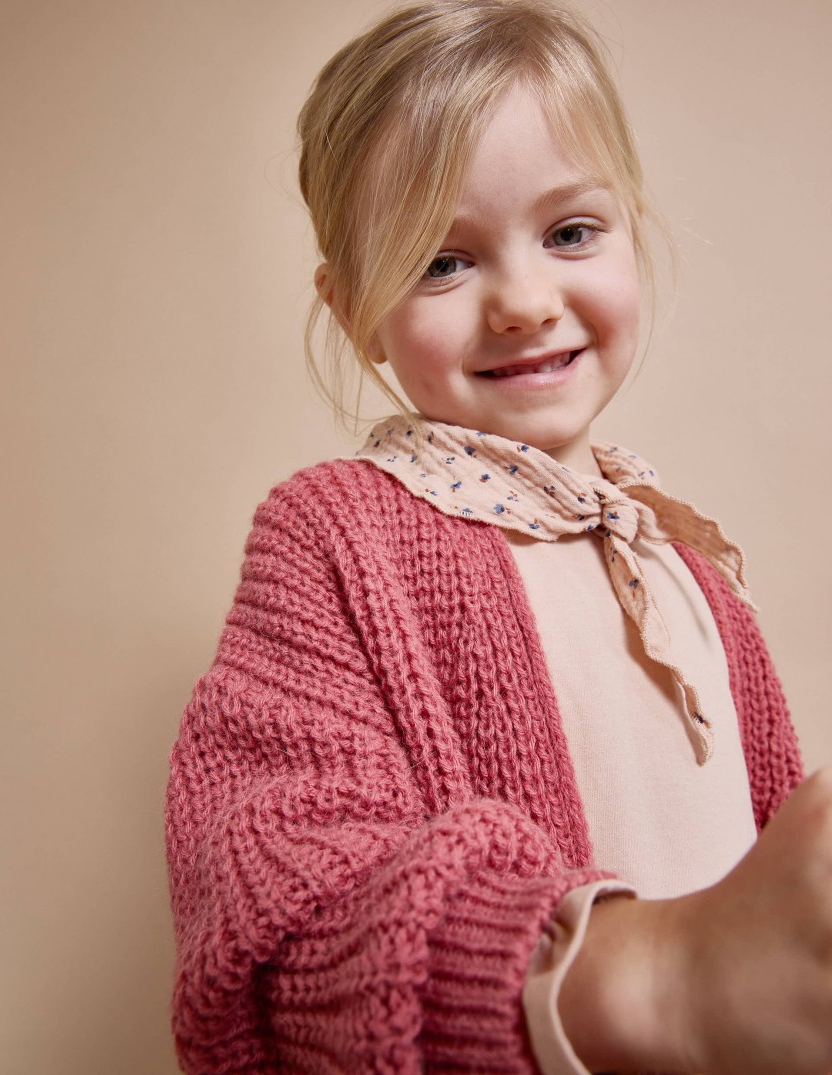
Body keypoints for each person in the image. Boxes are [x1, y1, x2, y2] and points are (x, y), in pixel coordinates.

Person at [165, 2, 832, 1072]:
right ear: (353, 316)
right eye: (441, 261)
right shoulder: (337, 537)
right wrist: (654, 976)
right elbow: (281, 911)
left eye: (571, 232)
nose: (525, 301)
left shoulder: (690, 566)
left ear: (632, 229)